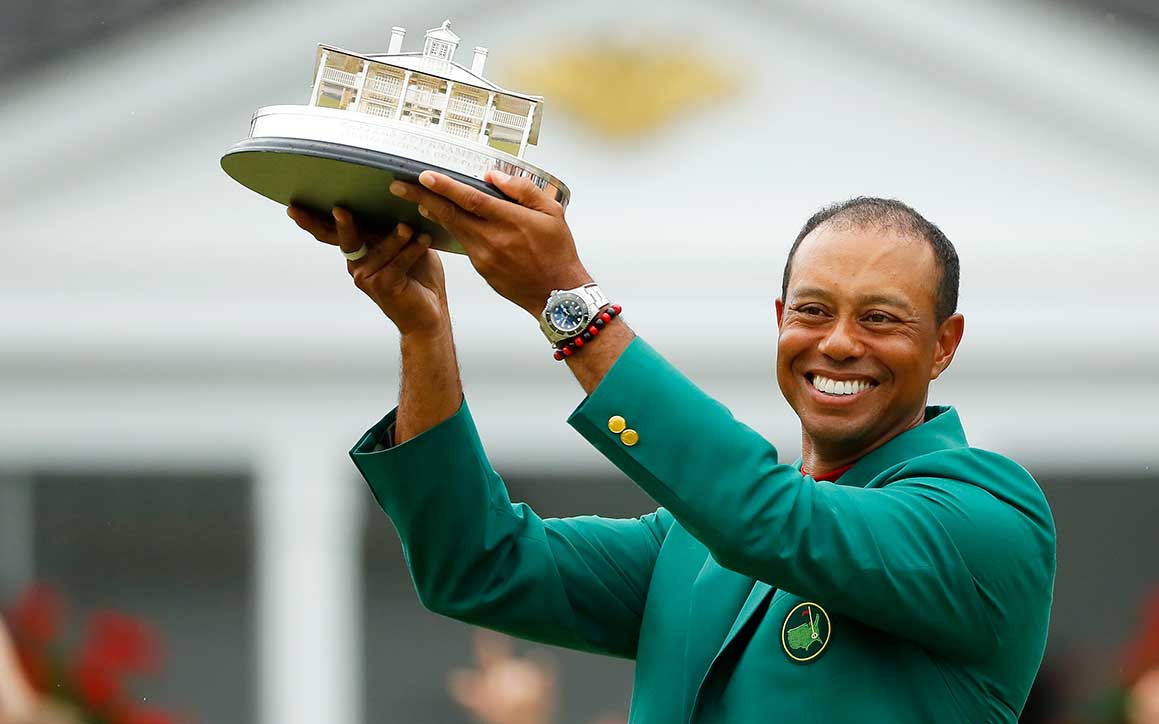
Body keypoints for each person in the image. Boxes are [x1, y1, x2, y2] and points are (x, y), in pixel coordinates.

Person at [287, 169, 1057, 722]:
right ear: (780, 320)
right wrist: (424, 333)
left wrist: (569, 304)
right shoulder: (693, 546)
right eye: (813, 311)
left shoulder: (988, 517)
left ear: (944, 343)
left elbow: (766, 517)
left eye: (881, 318)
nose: (839, 342)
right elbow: (478, 564)